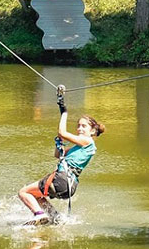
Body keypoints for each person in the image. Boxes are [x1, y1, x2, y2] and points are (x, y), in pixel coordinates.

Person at [17, 87, 104, 224]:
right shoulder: (79, 147)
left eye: (84, 126)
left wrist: (64, 111)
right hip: (68, 185)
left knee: (24, 192)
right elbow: (58, 155)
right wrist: (59, 145)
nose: (79, 128)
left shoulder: (88, 142)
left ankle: (39, 214)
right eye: (78, 126)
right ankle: (54, 217)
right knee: (36, 195)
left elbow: (62, 132)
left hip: (62, 180)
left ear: (92, 131)